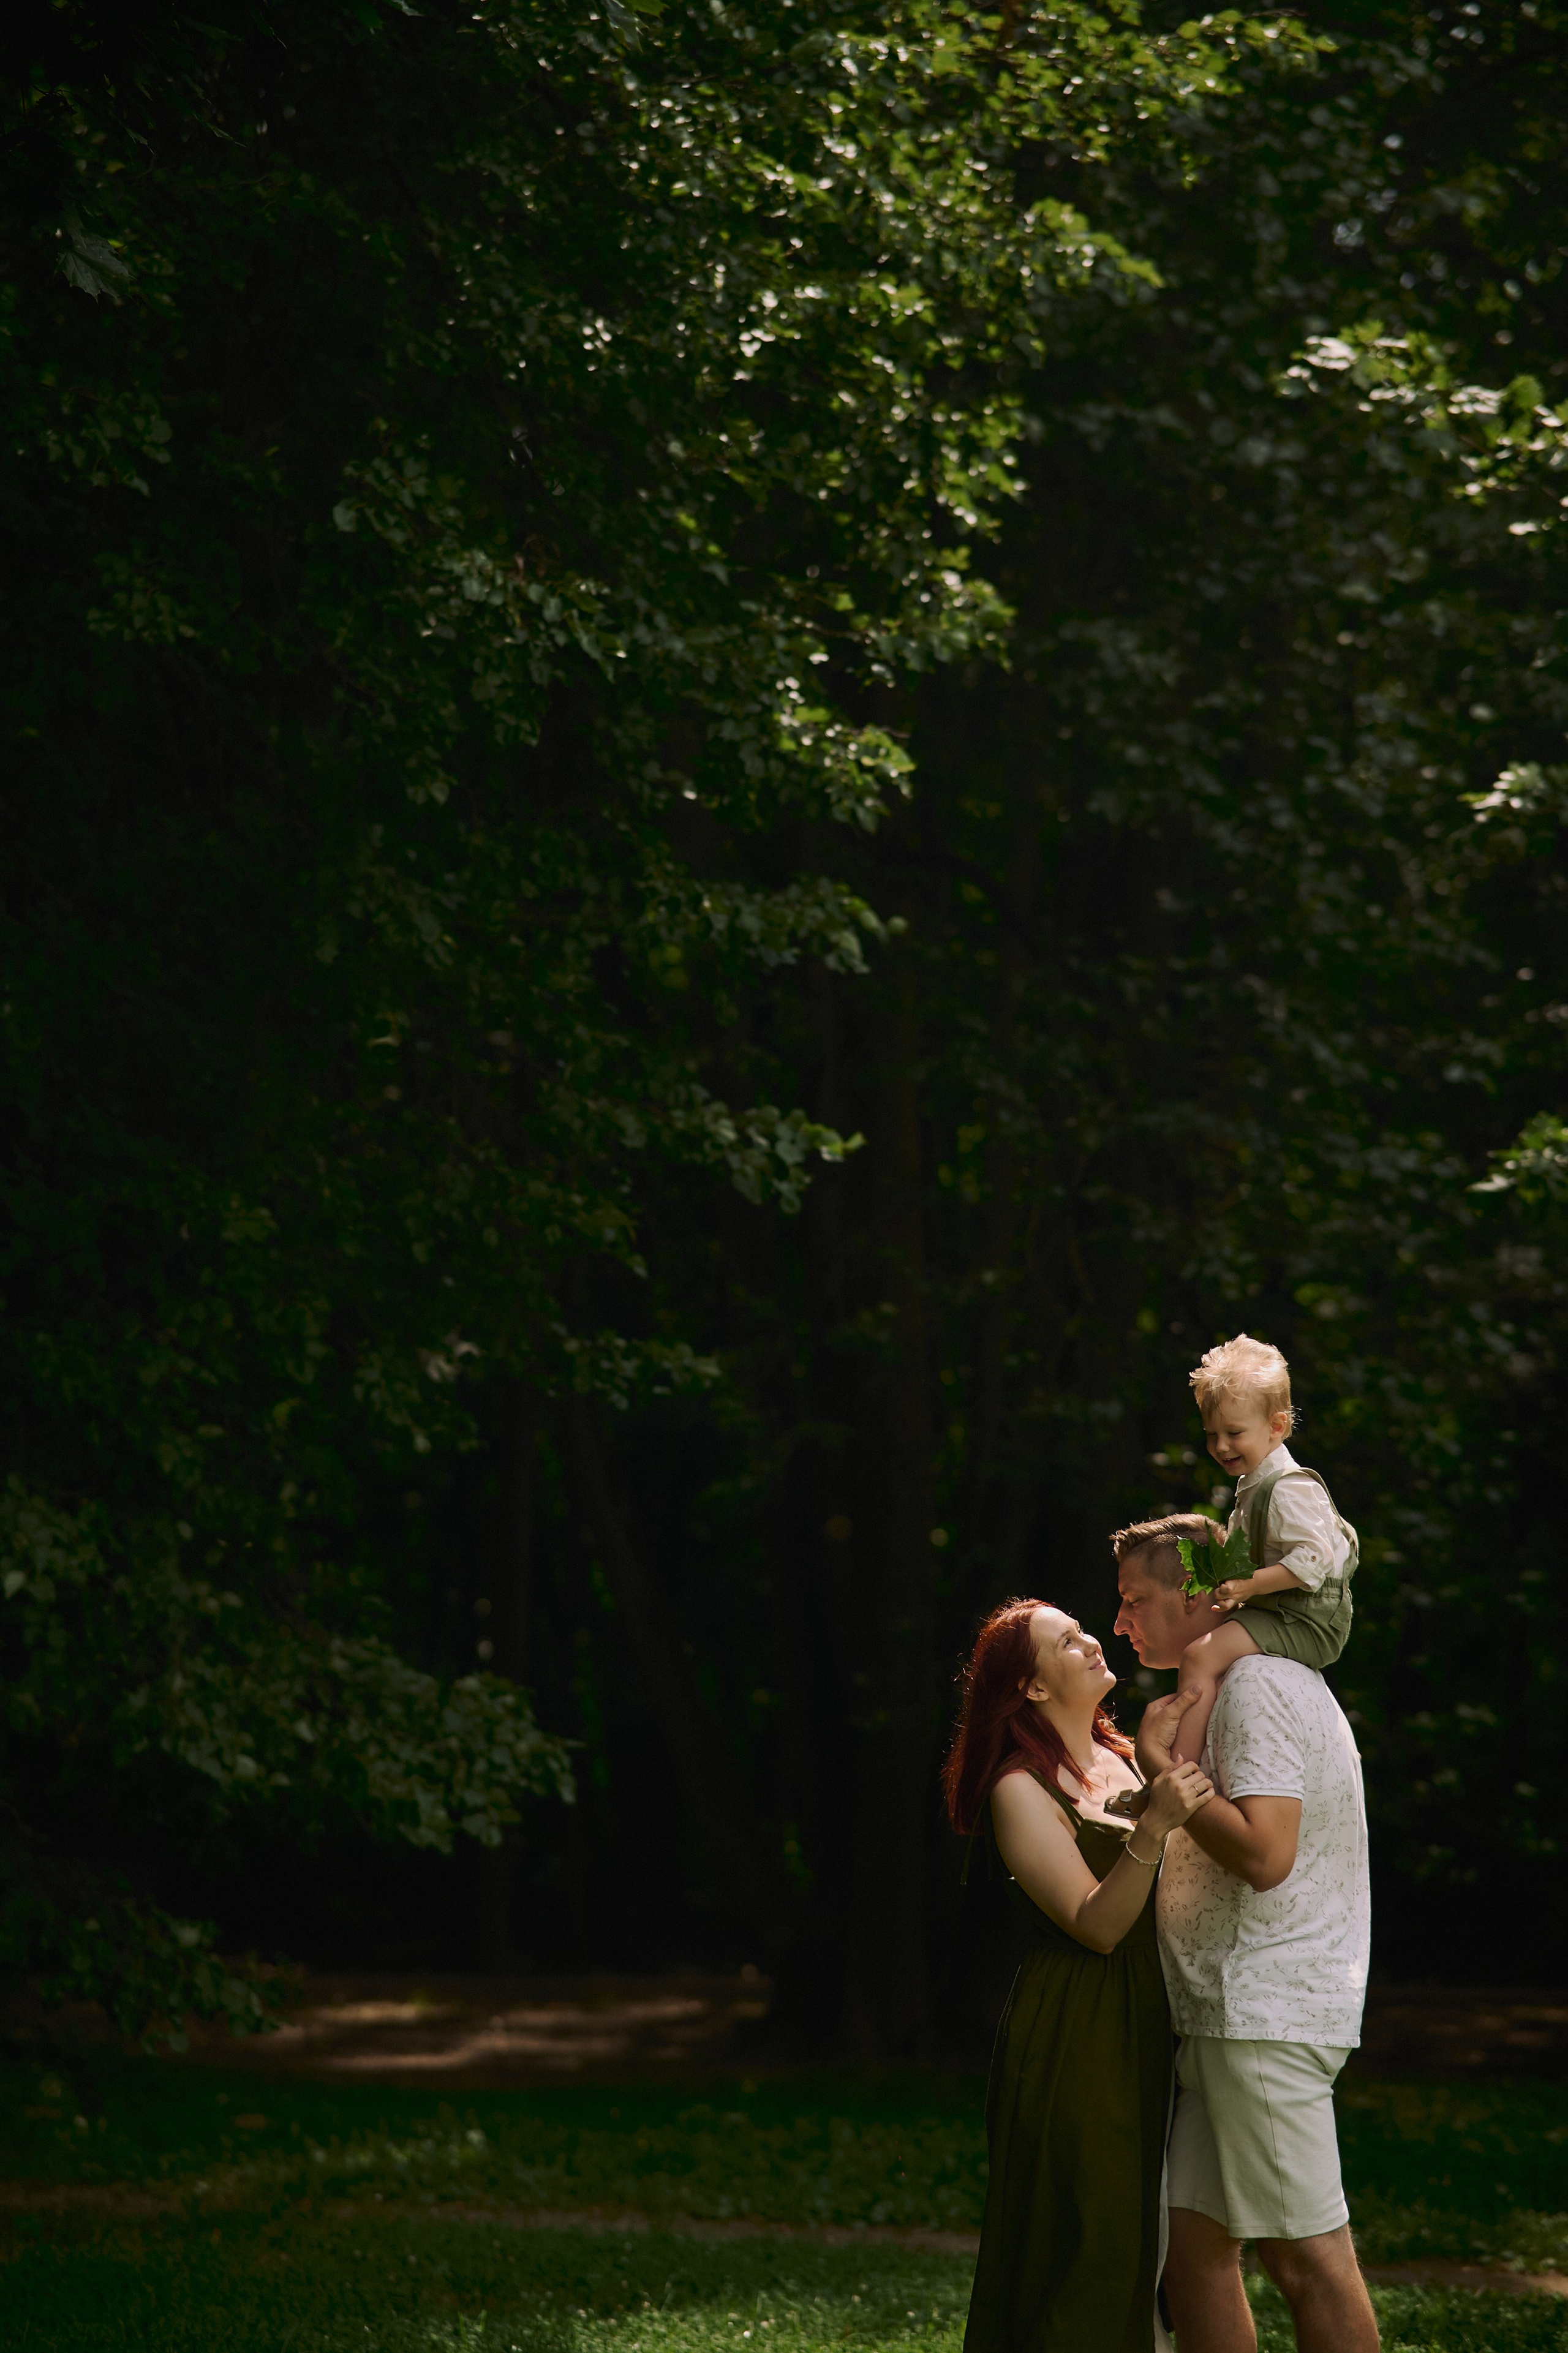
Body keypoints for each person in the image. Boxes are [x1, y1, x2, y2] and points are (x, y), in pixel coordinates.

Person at [1114, 1516, 1378, 2353]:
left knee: (1308, 2259)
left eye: (1137, 1599)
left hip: (1261, 2010)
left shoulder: (1258, 1684)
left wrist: (1160, 1774)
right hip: (1222, 2012)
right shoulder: (1234, 1687)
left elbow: (1266, 1853)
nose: (1122, 1621)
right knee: (1197, 2254)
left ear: (1200, 1591)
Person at [944, 1596, 1213, 2353]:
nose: (1092, 1639)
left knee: (1158, 2230)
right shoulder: (1017, 1788)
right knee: (1086, 2234)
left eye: (1080, 1629)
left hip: (1158, 2006)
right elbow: (1094, 1926)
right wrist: (1154, 1826)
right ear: (1031, 1686)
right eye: (1066, 1642)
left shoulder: (1125, 1755)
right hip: (1078, 2024)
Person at [1169, 1334, 1358, 1771]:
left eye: (1234, 1433)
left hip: (1306, 1617)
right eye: (1212, 1434)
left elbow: (1312, 1562)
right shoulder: (1254, 1484)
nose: (1220, 1447)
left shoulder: (1290, 1487)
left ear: (1277, 1426)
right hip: (1279, 1608)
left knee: (1201, 1655)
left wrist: (1249, 1586)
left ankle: (1177, 1771)